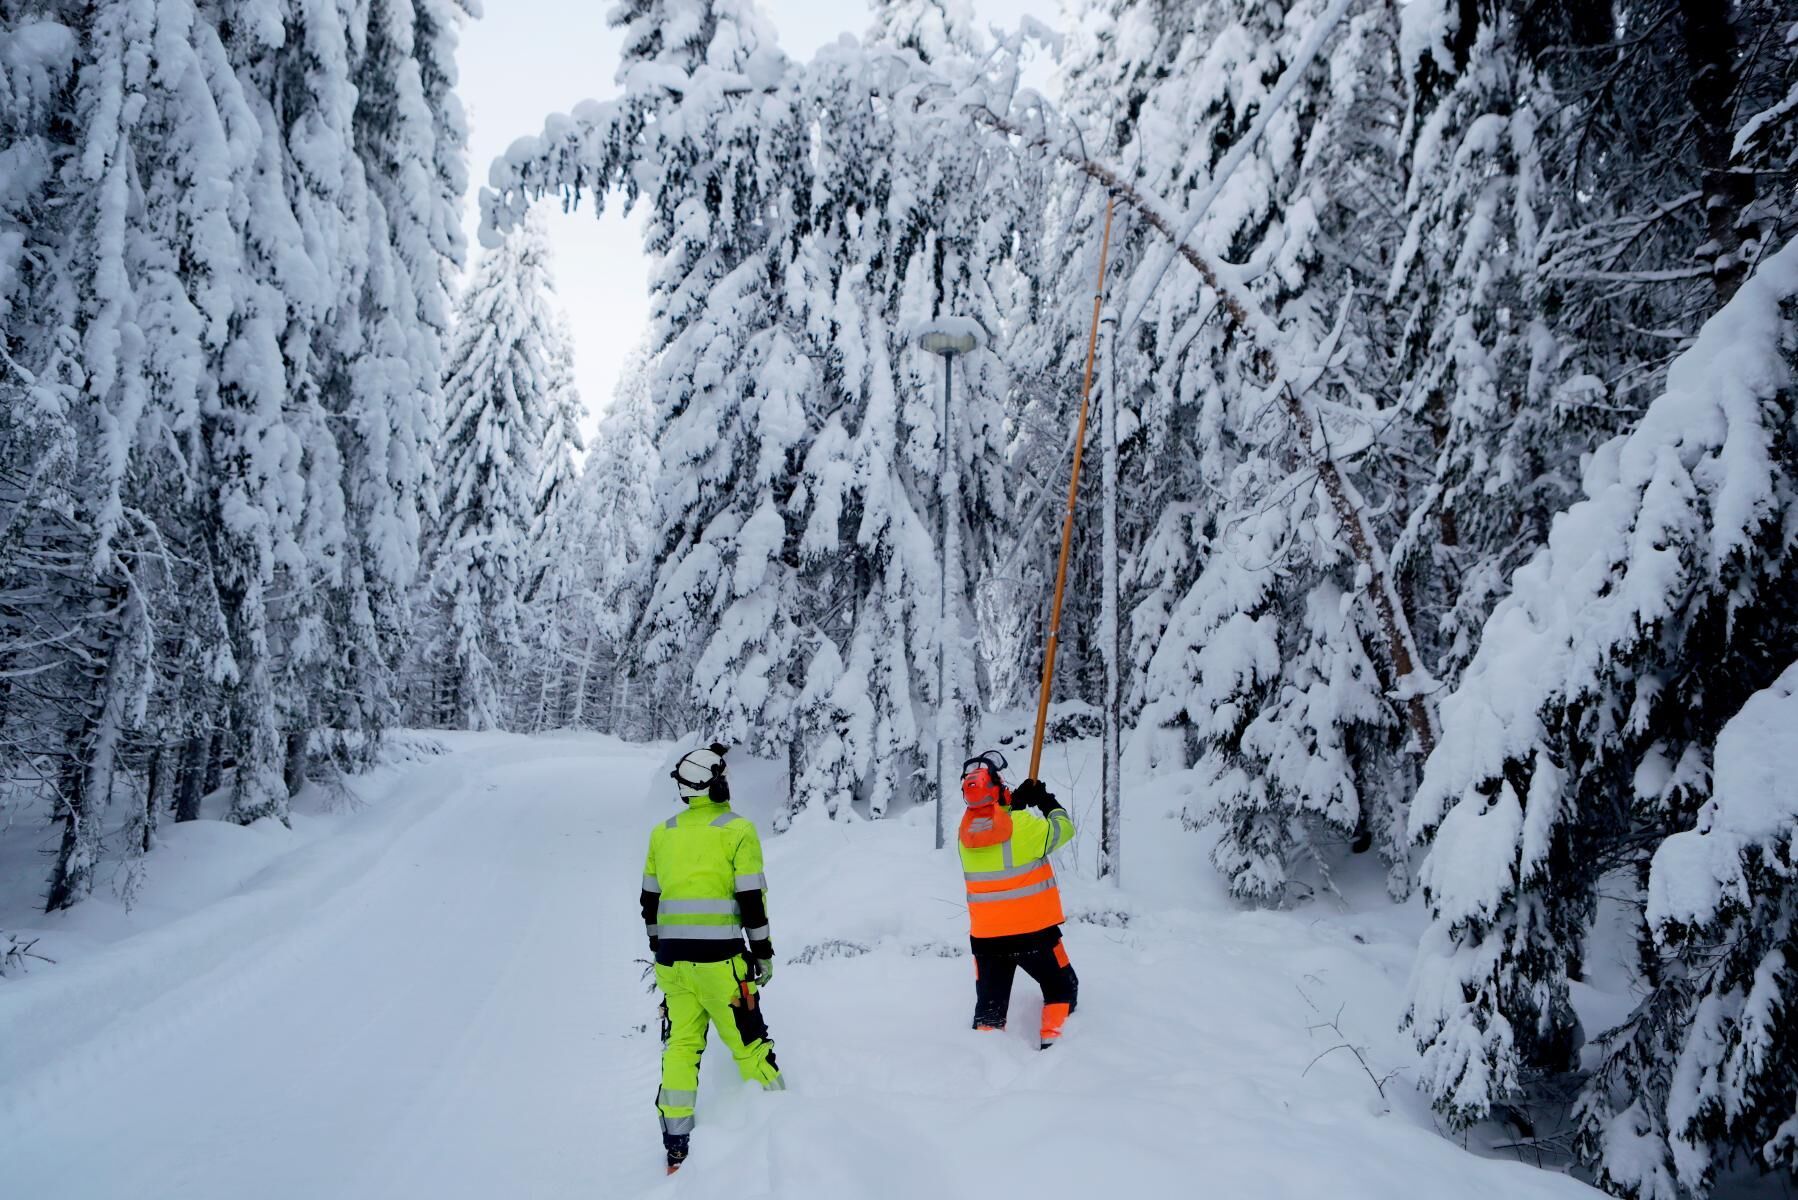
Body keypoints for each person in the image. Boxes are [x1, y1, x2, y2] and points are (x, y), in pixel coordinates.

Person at [639, 742, 784, 1175]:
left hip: (671, 964)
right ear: (719, 783)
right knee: (749, 1046)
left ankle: (676, 1149)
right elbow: (751, 900)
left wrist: (660, 949)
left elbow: (649, 902)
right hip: (722, 965)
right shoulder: (737, 830)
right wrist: (763, 954)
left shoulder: (662, 832)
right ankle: (785, 1128)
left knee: (681, 1047)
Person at [956, 752, 1079, 1048]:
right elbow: (1064, 829)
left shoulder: (965, 836)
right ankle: (1055, 1047)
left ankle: (983, 1058)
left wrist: (1016, 805)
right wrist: (1045, 800)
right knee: (1061, 990)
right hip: (1034, 936)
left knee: (990, 1009)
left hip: (987, 941)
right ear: (998, 789)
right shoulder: (1024, 826)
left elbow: (999, 828)